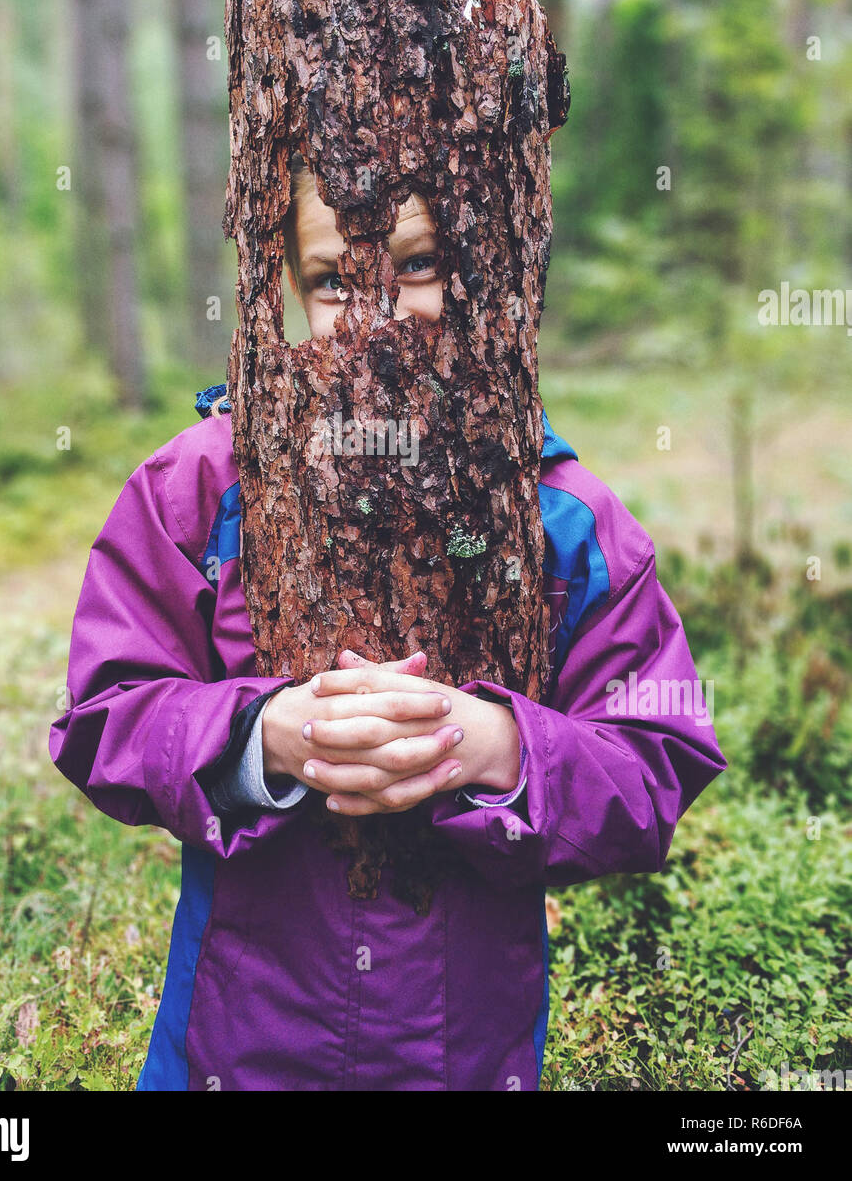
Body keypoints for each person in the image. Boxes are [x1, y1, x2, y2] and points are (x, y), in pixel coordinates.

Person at [49, 156, 728, 1091]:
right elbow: (104, 713)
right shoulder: (202, 488)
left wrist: (502, 749)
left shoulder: (563, 518)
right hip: (235, 1048)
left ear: (485, 263)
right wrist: (261, 738)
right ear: (287, 283)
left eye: (418, 264)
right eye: (333, 278)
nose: (374, 313)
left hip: (466, 1054)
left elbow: (659, 757)